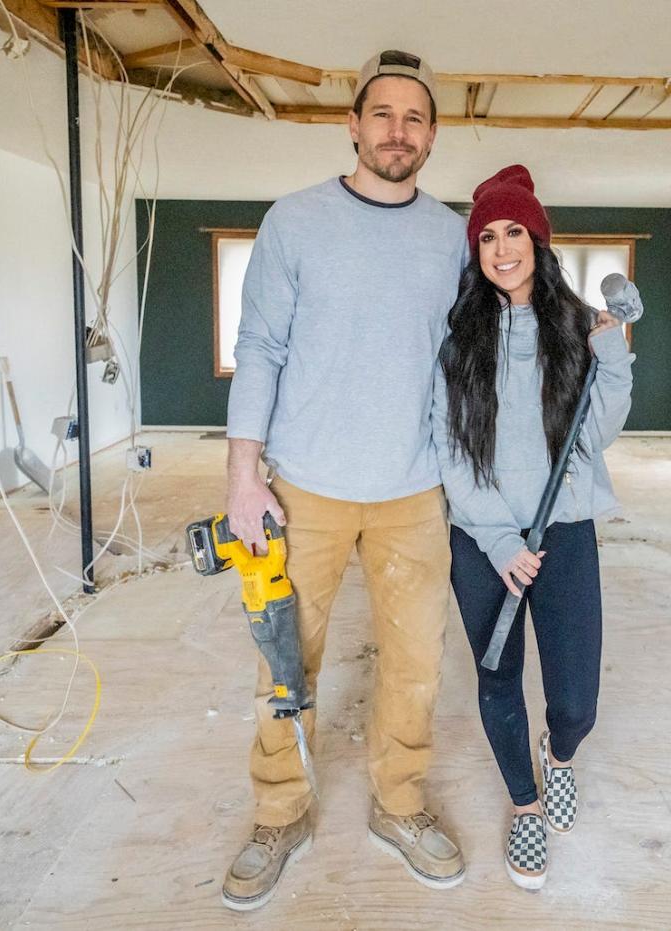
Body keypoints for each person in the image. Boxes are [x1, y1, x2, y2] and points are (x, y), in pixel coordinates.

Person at [219, 50, 469, 911]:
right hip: (306, 490)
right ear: (353, 124)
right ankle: (279, 812)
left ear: (432, 136)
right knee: (285, 663)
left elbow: (468, 356)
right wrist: (243, 476)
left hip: (413, 491)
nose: (398, 131)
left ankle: (398, 804)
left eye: (415, 118)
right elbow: (260, 349)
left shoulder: (452, 236)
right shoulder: (294, 221)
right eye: (384, 114)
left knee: (415, 666)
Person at [431, 164, 635, 890]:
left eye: (514, 230)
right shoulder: (458, 336)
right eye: (487, 235)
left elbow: (598, 432)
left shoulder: (579, 325)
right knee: (498, 677)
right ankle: (524, 802)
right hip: (485, 540)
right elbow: (449, 448)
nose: (501, 247)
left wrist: (612, 357)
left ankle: (562, 751)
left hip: (566, 527)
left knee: (576, 692)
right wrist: (497, 541)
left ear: (538, 240)